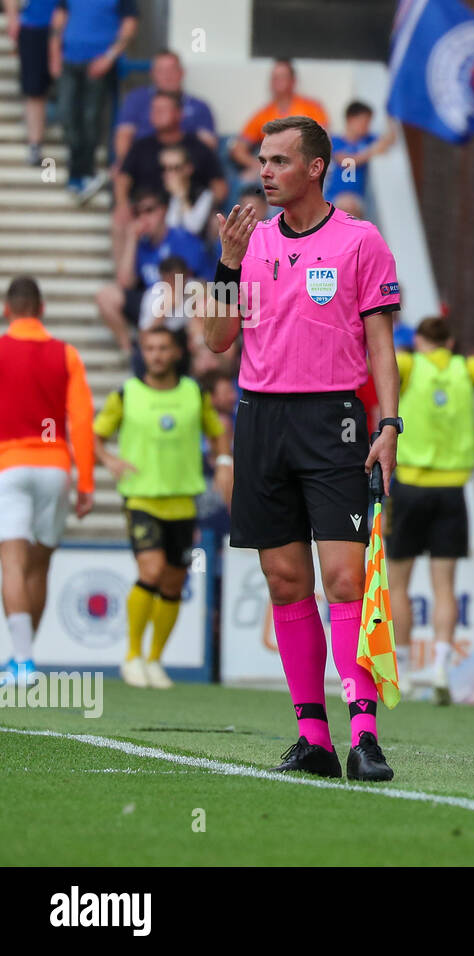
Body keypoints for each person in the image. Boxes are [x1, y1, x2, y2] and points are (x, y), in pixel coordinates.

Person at [204, 115, 401, 782]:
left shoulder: (360, 240)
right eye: (262, 159)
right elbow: (214, 338)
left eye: (280, 160)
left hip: (334, 421)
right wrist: (226, 265)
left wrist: (389, 425)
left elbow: (380, 344)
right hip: (261, 420)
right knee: (286, 581)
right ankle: (313, 737)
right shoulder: (250, 244)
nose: (265, 171)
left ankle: (365, 733)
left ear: (316, 167)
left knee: (346, 578)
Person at [385, 316, 474, 705]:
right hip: (453, 491)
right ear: (450, 342)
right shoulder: (466, 368)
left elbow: (371, 358)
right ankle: (440, 669)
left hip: (412, 486)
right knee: (444, 585)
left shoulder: (408, 363)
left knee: (398, 583)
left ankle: (403, 672)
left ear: (419, 340)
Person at [93, 326, 231, 688]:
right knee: (151, 570)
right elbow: (94, 436)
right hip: (141, 497)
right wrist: (108, 459)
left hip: (183, 501)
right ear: (142, 352)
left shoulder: (193, 393)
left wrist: (223, 463)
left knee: (174, 581)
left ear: (174, 352)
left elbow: (216, 430)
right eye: (149, 348)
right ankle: (132, 656)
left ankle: (154, 660)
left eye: (162, 348)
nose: (155, 354)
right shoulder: (126, 394)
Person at [0, 276, 95, 686]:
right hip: (55, 467)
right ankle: (24, 659)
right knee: (39, 566)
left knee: (13, 563)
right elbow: (82, 421)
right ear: (42, 310)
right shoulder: (66, 354)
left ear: (7, 310)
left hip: (10, 464)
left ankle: (22, 661)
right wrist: (86, 482)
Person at [96, 186, 210, 367]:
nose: (144, 217)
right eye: (138, 212)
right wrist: (131, 240)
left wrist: (176, 297)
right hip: (151, 300)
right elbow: (125, 282)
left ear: (163, 210)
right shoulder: (142, 245)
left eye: (149, 210)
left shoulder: (182, 239)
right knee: (105, 296)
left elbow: (203, 280)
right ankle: (131, 351)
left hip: (183, 304)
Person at [115, 90, 226, 258]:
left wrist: (203, 205)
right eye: (154, 109)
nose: (156, 114)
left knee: (218, 222)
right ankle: (127, 281)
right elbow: (122, 179)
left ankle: (213, 275)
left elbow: (219, 186)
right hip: (148, 212)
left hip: (189, 208)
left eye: (163, 109)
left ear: (179, 114)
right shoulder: (140, 146)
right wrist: (123, 204)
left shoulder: (198, 147)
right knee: (119, 220)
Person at [48, 0, 137, 201]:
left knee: (90, 118)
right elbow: (60, 17)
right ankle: (78, 172)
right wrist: (54, 53)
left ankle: (82, 173)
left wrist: (109, 57)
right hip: (70, 60)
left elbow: (130, 25)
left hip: (99, 62)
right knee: (66, 114)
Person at [229, 60, 328, 183]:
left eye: (282, 77)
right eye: (274, 77)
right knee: (246, 179)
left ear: (293, 81)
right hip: (272, 167)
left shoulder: (311, 107)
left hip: (302, 165)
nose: (278, 81)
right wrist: (259, 165)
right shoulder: (263, 114)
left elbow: (322, 142)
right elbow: (238, 149)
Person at [113, 49, 217, 157]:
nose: (167, 76)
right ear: (152, 74)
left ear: (182, 72)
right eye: (161, 71)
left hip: (184, 167)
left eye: (172, 70)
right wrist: (126, 166)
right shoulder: (136, 100)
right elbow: (123, 138)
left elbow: (207, 149)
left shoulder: (200, 107)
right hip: (142, 165)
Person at [4, 0, 57, 166]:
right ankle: (35, 143)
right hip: (33, 25)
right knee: (34, 89)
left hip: (67, 28)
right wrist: (13, 18)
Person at [323, 100, 395, 215]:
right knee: (347, 207)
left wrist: (391, 118)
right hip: (334, 197)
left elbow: (388, 140)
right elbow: (347, 161)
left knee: (351, 208)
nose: (367, 127)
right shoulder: (336, 141)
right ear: (350, 120)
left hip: (357, 198)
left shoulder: (368, 139)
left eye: (368, 123)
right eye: (364, 122)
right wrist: (372, 151)